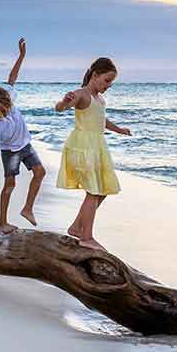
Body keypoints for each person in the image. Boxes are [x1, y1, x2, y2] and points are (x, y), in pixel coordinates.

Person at [54, 57, 130, 250]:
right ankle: (86, 236)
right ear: (95, 75)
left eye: (110, 83)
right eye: (106, 81)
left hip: (97, 147)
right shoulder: (81, 94)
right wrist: (64, 101)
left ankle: (76, 227)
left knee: (103, 190)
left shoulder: (99, 99)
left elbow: (101, 119)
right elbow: (60, 109)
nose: (108, 86)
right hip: (83, 147)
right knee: (93, 191)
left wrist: (119, 129)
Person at [0, 38, 45, 233]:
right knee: (10, 184)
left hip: (25, 146)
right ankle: (2, 222)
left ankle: (27, 209)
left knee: (40, 172)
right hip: (10, 152)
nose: (8, 105)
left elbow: (12, 77)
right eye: (3, 104)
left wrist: (22, 55)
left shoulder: (8, 98)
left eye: (7, 101)